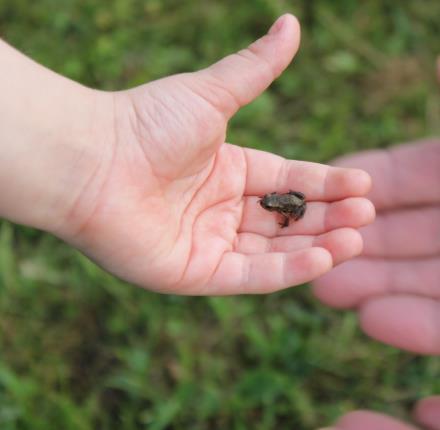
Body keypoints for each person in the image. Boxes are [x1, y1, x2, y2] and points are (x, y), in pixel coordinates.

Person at [0, 14, 374, 295]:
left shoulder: (280, 206)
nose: (267, 201)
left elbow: (293, 205)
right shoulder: (272, 203)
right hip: (287, 204)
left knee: (302, 206)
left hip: (293, 205)